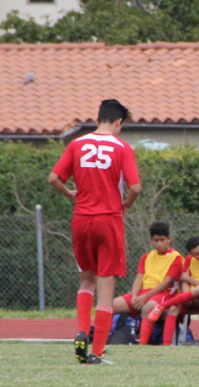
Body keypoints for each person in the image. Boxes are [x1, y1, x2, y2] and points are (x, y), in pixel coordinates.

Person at [48, 98, 142, 364]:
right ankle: (97, 350)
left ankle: (81, 330)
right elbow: (135, 187)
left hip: (81, 219)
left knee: (86, 281)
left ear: (99, 117)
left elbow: (53, 178)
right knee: (106, 289)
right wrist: (126, 206)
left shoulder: (77, 144)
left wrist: (71, 195)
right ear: (119, 122)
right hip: (109, 219)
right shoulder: (122, 147)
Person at [118, 221, 185, 346]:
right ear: (151, 240)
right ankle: (98, 340)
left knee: (148, 307)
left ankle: (142, 344)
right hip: (144, 293)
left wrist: (145, 297)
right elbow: (138, 279)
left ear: (169, 239)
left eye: (162, 240)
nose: (159, 244)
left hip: (164, 293)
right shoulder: (146, 256)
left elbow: (167, 283)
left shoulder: (176, 257)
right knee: (110, 306)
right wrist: (134, 296)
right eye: (156, 240)